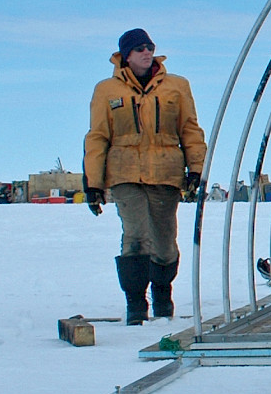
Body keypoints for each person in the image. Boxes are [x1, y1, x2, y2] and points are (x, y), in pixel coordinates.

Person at [84, 29, 207, 324]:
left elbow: (190, 128)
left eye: (149, 46)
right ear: (126, 55)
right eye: (139, 48)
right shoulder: (107, 90)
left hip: (165, 173)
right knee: (136, 236)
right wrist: (93, 183)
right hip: (125, 173)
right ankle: (136, 304)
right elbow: (98, 136)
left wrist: (196, 169)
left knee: (164, 241)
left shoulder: (176, 86)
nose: (146, 52)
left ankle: (163, 296)